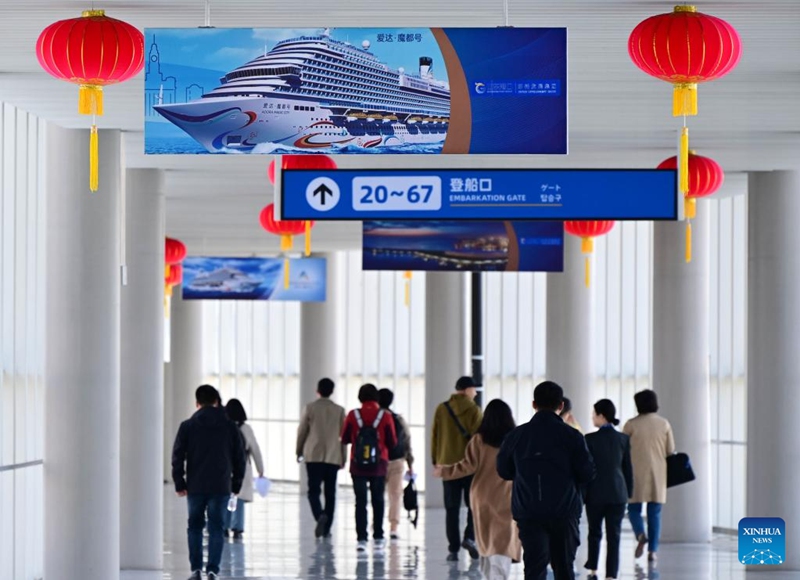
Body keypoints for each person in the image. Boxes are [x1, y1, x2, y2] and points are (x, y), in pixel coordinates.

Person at [497, 381, 595, 580]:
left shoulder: (516, 436)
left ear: (534, 404)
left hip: (529, 511)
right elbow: (587, 473)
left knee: (534, 568)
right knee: (564, 568)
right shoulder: (572, 436)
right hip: (564, 511)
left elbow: (504, 471)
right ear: (560, 406)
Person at [434, 399, 521, 580]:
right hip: (508, 495)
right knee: (504, 538)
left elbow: (467, 466)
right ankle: (499, 575)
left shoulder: (479, 439)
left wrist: (445, 471)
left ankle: (490, 574)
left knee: (486, 538)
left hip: (482, 496)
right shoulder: (516, 439)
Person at [172, 385, 247, 580]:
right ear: (216, 402)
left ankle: (196, 570)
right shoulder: (230, 427)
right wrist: (236, 485)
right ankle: (213, 570)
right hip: (221, 486)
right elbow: (240, 458)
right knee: (216, 528)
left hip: (195, 486)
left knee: (195, 527)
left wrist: (180, 482)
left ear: (197, 403)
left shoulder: (187, 426)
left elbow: (178, 456)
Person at [431, 376, 483, 561]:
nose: (475, 393)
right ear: (467, 389)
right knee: (473, 506)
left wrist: (436, 460)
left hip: (447, 466)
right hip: (470, 466)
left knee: (451, 508)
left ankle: (453, 548)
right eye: (474, 389)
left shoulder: (442, 409)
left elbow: (435, 436)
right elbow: (479, 440)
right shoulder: (474, 410)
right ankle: (469, 537)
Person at [341, 383, 397, 553]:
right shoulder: (385, 416)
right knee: (378, 500)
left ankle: (362, 539)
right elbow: (392, 442)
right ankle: (378, 537)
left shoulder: (353, 414)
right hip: (379, 464)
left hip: (357, 464)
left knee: (360, 501)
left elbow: (344, 439)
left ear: (360, 397)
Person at [623, 389, 675, 564]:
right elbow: (670, 450)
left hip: (635, 473)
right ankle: (653, 551)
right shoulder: (664, 424)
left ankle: (640, 534)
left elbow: (622, 450)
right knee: (655, 514)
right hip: (658, 474)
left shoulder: (630, 425)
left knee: (633, 510)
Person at [583, 399, 634, 580]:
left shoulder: (589, 439)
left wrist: (583, 493)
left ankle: (593, 569)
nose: (592, 417)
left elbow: (586, 469)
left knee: (594, 532)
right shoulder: (623, 439)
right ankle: (611, 574)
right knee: (614, 535)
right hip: (617, 494)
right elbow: (627, 468)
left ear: (601, 416)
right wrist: (628, 492)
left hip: (595, 494)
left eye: (594, 414)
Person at [296, 378, 347, 539]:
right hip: (333, 456)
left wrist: (298, 451)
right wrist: (343, 457)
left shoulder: (310, 408)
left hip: (313, 456)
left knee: (313, 491)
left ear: (318, 390)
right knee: (330, 493)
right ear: (331, 391)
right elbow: (343, 437)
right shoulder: (339, 410)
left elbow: (302, 431)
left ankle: (320, 516)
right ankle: (327, 529)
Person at [224, 398, 264, 540]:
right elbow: (255, 449)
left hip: (225, 466)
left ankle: (225, 525)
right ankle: (237, 528)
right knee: (239, 497)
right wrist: (260, 468)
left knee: (226, 496)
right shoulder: (246, 429)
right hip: (243, 466)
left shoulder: (223, 426)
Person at [378, 388, 415, 541]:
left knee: (377, 495)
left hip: (378, 462)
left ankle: (376, 524)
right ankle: (393, 528)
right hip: (397, 461)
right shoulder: (398, 419)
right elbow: (407, 441)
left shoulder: (374, 419)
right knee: (395, 495)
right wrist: (410, 463)